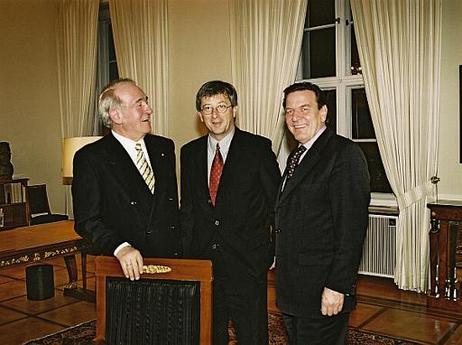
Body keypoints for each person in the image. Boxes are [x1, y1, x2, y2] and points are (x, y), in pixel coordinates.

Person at [180, 80, 281, 345]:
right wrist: (187, 256)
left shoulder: (258, 149)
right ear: (200, 115)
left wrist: (272, 251)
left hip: (247, 260)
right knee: (209, 331)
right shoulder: (189, 153)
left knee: (251, 332)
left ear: (234, 109)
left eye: (221, 106)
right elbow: (188, 209)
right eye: (207, 108)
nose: (215, 115)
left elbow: (276, 205)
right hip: (204, 262)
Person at [274, 81, 370, 345]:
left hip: (323, 290)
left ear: (323, 113)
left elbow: (351, 230)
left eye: (304, 108)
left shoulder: (344, 154)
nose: (295, 117)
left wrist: (338, 286)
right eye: (289, 111)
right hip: (295, 291)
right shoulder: (297, 156)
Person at [72, 78, 179, 281]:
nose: (149, 109)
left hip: (170, 262)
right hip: (126, 269)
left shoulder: (164, 147)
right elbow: (87, 220)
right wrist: (120, 248)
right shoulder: (91, 158)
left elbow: (170, 208)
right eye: (140, 104)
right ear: (116, 115)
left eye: (146, 102)